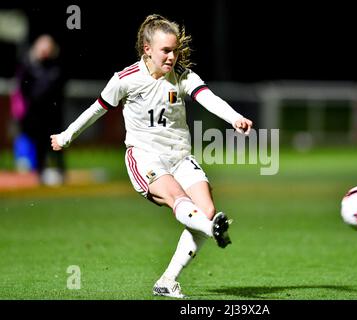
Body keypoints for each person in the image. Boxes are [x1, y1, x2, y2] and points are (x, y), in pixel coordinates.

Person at [50, 14, 253, 298]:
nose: (172, 56)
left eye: (175, 50)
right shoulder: (125, 80)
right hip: (145, 157)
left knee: (206, 209)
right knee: (178, 200)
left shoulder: (182, 76)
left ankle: (168, 280)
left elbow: (208, 97)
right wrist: (66, 136)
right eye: (166, 51)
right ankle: (212, 229)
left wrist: (234, 118)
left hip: (180, 157)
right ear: (147, 49)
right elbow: (96, 109)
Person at [16, 34, 66, 185]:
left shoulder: (56, 67)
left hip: (54, 115)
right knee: (39, 145)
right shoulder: (28, 65)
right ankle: (40, 174)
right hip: (36, 115)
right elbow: (24, 89)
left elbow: (58, 88)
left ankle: (60, 172)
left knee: (58, 143)